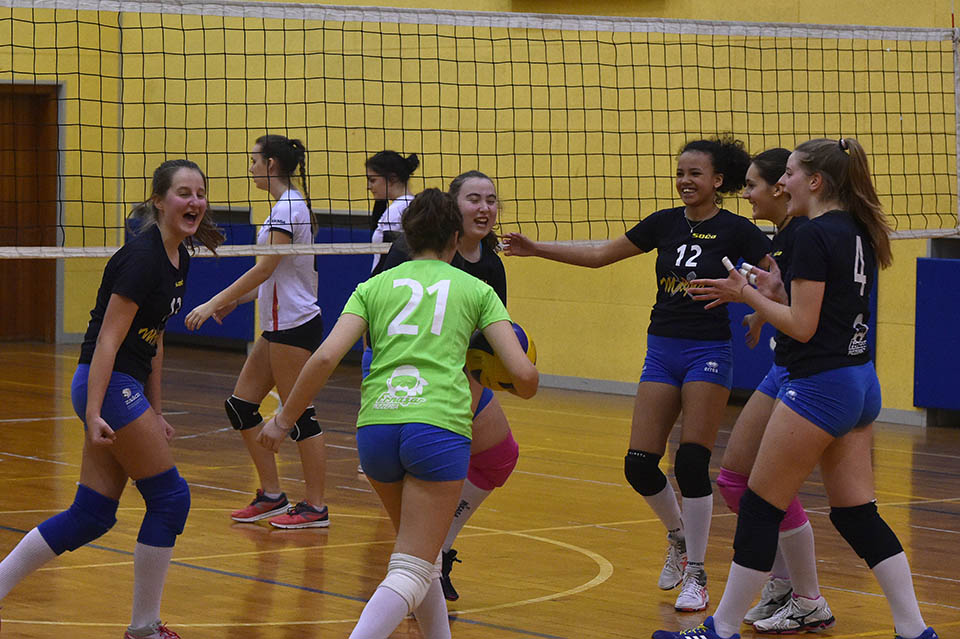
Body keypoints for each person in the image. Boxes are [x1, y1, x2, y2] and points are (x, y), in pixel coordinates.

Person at [654, 138, 939, 639]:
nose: (782, 183)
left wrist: (746, 294)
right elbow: (823, 309)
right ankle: (914, 630)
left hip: (819, 384)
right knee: (856, 515)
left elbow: (803, 327)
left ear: (815, 182)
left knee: (761, 506)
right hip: (858, 379)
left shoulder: (812, 235)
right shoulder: (855, 229)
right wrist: (774, 292)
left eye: (788, 174)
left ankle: (721, 629)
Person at [504, 136, 771, 612]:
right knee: (639, 463)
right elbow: (599, 255)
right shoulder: (663, 223)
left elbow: (776, 277)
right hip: (662, 349)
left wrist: (756, 308)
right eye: (680, 172)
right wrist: (536, 249)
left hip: (708, 350)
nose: (685, 180)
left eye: (695, 173)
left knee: (691, 463)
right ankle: (678, 537)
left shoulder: (738, 230)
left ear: (718, 181)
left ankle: (697, 574)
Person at [257, 188, 538, 639]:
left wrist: (283, 420)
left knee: (422, 557)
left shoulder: (371, 287)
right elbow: (523, 375)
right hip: (437, 429)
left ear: (407, 236)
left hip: (377, 430)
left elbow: (325, 358)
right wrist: (517, 380)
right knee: (411, 567)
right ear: (455, 237)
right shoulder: (477, 290)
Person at [0, 159, 224, 639]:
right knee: (170, 500)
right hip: (106, 383)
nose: (195, 202)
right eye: (184, 193)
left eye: (200, 194)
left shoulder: (179, 257)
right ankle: (144, 629)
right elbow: (108, 338)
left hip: (124, 386)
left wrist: (156, 410)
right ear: (159, 201)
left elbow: (154, 339)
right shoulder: (142, 259)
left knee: (91, 515)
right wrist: (96, 410)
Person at [372, 170, 520, 602]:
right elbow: (377, 321)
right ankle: (422, 560)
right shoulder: (410, 252)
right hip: (401, 373)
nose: (485, 208)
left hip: (458, 371)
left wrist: (501, 366)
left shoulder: (490, 264)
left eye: (491, 200)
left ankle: (438, 549)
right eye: (474, 199)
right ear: (452, 210)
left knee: (500, 457)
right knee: (432, 470)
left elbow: (491, 338)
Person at [714, 149, 834, 632]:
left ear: (781, 188)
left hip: (807, 376)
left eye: (752, 185)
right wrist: (760, 309)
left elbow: (811, 314)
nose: (746, 194)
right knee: (734, 481)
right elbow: (788, 294)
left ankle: (807, 596)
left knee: (770, 496)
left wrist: (750, 297)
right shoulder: (785, 236)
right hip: (781, 367)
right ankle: (786, 587)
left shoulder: (806, 234)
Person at [184, 134, 329, 529]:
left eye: (254, 161)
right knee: (241, 407)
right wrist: (239, 300)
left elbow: (265, 268)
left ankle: (316, 507)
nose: (250, 168)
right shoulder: (285, 206)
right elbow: (276, 275)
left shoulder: (289, 207)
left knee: (299, 416)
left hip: (294, 325)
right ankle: (272, 496)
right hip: (277, 325)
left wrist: (214, 301)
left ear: (271, 165)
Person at [367, 150, 419, 272]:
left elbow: (388, 260)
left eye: (373, 180)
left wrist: (373, 281)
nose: (369, 186)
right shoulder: (413, 204)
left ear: (392, 179)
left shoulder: (395, 211)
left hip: (387, 279)